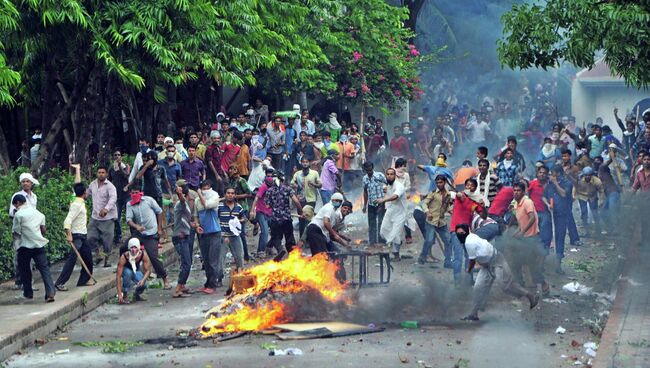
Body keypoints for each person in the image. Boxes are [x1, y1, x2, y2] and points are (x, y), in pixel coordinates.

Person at [455, 224, 539, 321]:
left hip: (497, 261)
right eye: (458, 233)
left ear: (466, 232)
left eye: (462, 233)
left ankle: (530, 296)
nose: (460, 235)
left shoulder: (469, 242)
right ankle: (474, 314)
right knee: (478, 287)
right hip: (486, 266)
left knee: (506, 286)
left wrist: (468, 271)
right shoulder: (471, 236)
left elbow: (472, 261)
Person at [125, 182, 170, 289]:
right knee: (124, 247)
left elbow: (159, 212)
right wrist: (137, 226)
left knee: (153, 257)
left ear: (141, 193)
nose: (134, 195)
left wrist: (159, 228)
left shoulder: (149, 200)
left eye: (136, 192)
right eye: (132, 193)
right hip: (139, 233)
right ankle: (129, 272)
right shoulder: (129, 204)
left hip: (151, 233)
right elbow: (128, 219)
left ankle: (165, 278)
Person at [12, 194, 55, 302]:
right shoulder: (38, 213)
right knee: (44, 269)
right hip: (39, 245)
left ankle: (28, 293)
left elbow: (16, 232)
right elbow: (43, 230)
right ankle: (50, 293)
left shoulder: (18, 215)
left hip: (25, 246)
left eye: (15, 205)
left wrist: (16, 244)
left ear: (17, 203)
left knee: (24, 270)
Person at [510, 181, 548, 295]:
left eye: (519, 190)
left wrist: (522, 232)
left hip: (531, 238)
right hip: (523, 238)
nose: (516, 193)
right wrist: (517, 232)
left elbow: (532, 219)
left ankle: (544, 285)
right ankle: (520, 285)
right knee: (516, 262)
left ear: (523, 191)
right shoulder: (516, 204)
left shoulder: (527, 202)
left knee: (532, 265)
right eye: (515, 190)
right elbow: (522, 221)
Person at [55, 179, 93, 291]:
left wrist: (77, 170)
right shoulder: (76, 204)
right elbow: (67, 220)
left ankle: (83, 280)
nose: (87, 194)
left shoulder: (77, 201)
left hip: (83, 235)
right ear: (84, 193)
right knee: (71, 260)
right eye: (86, 192)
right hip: (77, 236)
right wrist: (69, 235)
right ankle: (60, 282)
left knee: (88, 258)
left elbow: (76, 184)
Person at [449, 178, 485, 283]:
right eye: (467, 185)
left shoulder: (476, 202)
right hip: (456, 230)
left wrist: (483, 207)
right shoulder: (460, 195)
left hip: (468, 232)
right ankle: (457, 282)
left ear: (475, 188)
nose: (469, 187)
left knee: (469, 256)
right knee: (458, 257)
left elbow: (483, 215)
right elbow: (459, 195)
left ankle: (469, 281)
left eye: (472, 185)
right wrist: (461, 195)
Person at [9, 172, 40, 290]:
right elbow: (12, 212)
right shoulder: (17, 196)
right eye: (23, 181)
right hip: (19, 231)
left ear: (31, 183)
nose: (25, 183)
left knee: (29, 256)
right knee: (19, 256)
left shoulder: (34, 197)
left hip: (31, 231)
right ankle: (19, 281)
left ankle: (27, 283)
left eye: (27, 181)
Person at [543, 165, 574, 274]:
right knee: (546, 238)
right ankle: (544, 264)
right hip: (549, 215)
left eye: (552, 173)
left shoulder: (567, 183)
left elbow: (564, 194)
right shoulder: (549, 185)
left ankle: (558, 265)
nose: (550, 176)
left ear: (558, 174)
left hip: (561, 216)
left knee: (559, 239)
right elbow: (544, 196)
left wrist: (556, 183)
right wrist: (547, 204)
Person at [378, 168, 414, 261]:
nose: (389, 176)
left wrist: (383, 200)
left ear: (395, 176)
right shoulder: (387, 186)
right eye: (388, 174)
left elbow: (395, 196)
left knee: (395, 235)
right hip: (390, 211)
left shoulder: (399, 186)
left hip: (400, 213)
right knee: (383, 231)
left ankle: (396, 255)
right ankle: (396, 241)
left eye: (391, 174)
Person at [264, 173, 303, 258]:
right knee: (289, 237)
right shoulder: (288, 189)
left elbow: (267, 206)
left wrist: (274, 205)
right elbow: (296, 201)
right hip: (286, 218)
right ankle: (293, 255)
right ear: (283, 179)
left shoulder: (269, 191)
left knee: (276, 237)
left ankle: (280, 249)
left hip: (275, 218)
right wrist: (300, 212)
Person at [87, 166, 118, 268]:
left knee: (107, 240)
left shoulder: (110, 186)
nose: (101, 174)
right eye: (99, 172)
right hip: (95, 217)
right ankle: (98, 255)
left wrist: (106, 209)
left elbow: (113, 199)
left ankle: (107, 259)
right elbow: (87, 193)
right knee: (90, 237)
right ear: (97, 173)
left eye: (103, 172)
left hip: (107, 218)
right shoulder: (93, 184)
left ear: (106, 174)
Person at [419, 175, 452, 266]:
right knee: (429, 240)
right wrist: (427, 212)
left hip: (441, 222)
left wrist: (451, 211)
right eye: (437, 182)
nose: (439, 184)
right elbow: (424, 204)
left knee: (448, 241)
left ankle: (448, 262)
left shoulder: (448, 194)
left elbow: (447, 206)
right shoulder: (433, 193)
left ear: (445, 182)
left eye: (440, 182)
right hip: (431, 221)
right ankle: (422, 257)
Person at [171, 183, 194, 298]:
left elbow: (184, 220)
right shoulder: (181, 203)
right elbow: (182, 200)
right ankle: (178, 288)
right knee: (186, 263)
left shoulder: (184, 206)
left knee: (186, 262)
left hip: (184, 235)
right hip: (180, 238)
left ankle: (183, 286)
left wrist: (193, 225)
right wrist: (179, 193)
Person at [217, 187, 245, 278]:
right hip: (223, 236)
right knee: (220, 259)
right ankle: (219, 278)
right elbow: (216, 219)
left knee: (239, 257)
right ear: (225, 194)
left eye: (232, 193)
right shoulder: (219, 206)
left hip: (235, 236)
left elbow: (244, 218)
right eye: (228, 193)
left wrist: (239, 221)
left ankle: (240, 276)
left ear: (235, 195)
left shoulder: (238, 207)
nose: (230, 195)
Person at [291, 156, 321, 236]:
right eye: (303, 162)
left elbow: (320, 185)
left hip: (311, 199)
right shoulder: (297, 174)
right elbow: (291, 183)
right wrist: (295, 185)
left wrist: (313, 184)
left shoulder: (314, 173)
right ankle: (301, 238)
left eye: (306, 162)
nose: (305, 163)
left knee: (309, 219)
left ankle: (308, 238)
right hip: (300, 200)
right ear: (301, 163)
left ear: (309, 163)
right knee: (301, 219)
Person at [116, 238, 151, 304]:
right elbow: (118, 276)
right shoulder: (124, 257)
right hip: (126, 271)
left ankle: (137, 294)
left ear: (138, 248)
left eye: (135, 247)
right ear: (129, 248)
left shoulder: (143, 254)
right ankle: (125, 294)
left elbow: (148, 270)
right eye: (131, 247)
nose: (133, 250)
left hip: (136, 270)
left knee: (144, 284)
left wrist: (143, 280)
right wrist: (119, 293)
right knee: (128, 273)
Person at [362, 161, 387, 245]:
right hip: (371, 204)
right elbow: (365, 192)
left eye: (370, 169)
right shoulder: (364, 178)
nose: (369, 171)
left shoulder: (379, 175)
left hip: (381, 203)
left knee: (381, 222)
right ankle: (372, 241)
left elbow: (388, 185)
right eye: (367, 170)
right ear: (365, 170)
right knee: (372, 223)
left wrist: (385, 198)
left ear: (372, 168)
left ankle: (382, 240)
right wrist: (365, 205)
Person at [109, 150, 131, 245]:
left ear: (121, 157)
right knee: (116, 217)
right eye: (115, 155)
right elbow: (109, 181)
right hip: (117, 196)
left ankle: (134, 234)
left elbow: (126, 176)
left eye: (118, 155)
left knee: (130, 216)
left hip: (127, 195)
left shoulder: (125, 167)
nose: (117, 156)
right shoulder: (111, 169)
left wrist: (120, 167)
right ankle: (118, 236)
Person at [574, 166, 605, 235]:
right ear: (583, 175)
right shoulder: (579, 179)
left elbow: (601, 191)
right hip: (582, 196)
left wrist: (601, 200)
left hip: (592, 197)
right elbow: (575, 186)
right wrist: (574, 195)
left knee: (595, 213)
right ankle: (587, 231)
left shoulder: (597, 181)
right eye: (586, 175)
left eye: (589, 175)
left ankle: (598, 230)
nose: (587, 177)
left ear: (592, 175)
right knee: (584, 214)